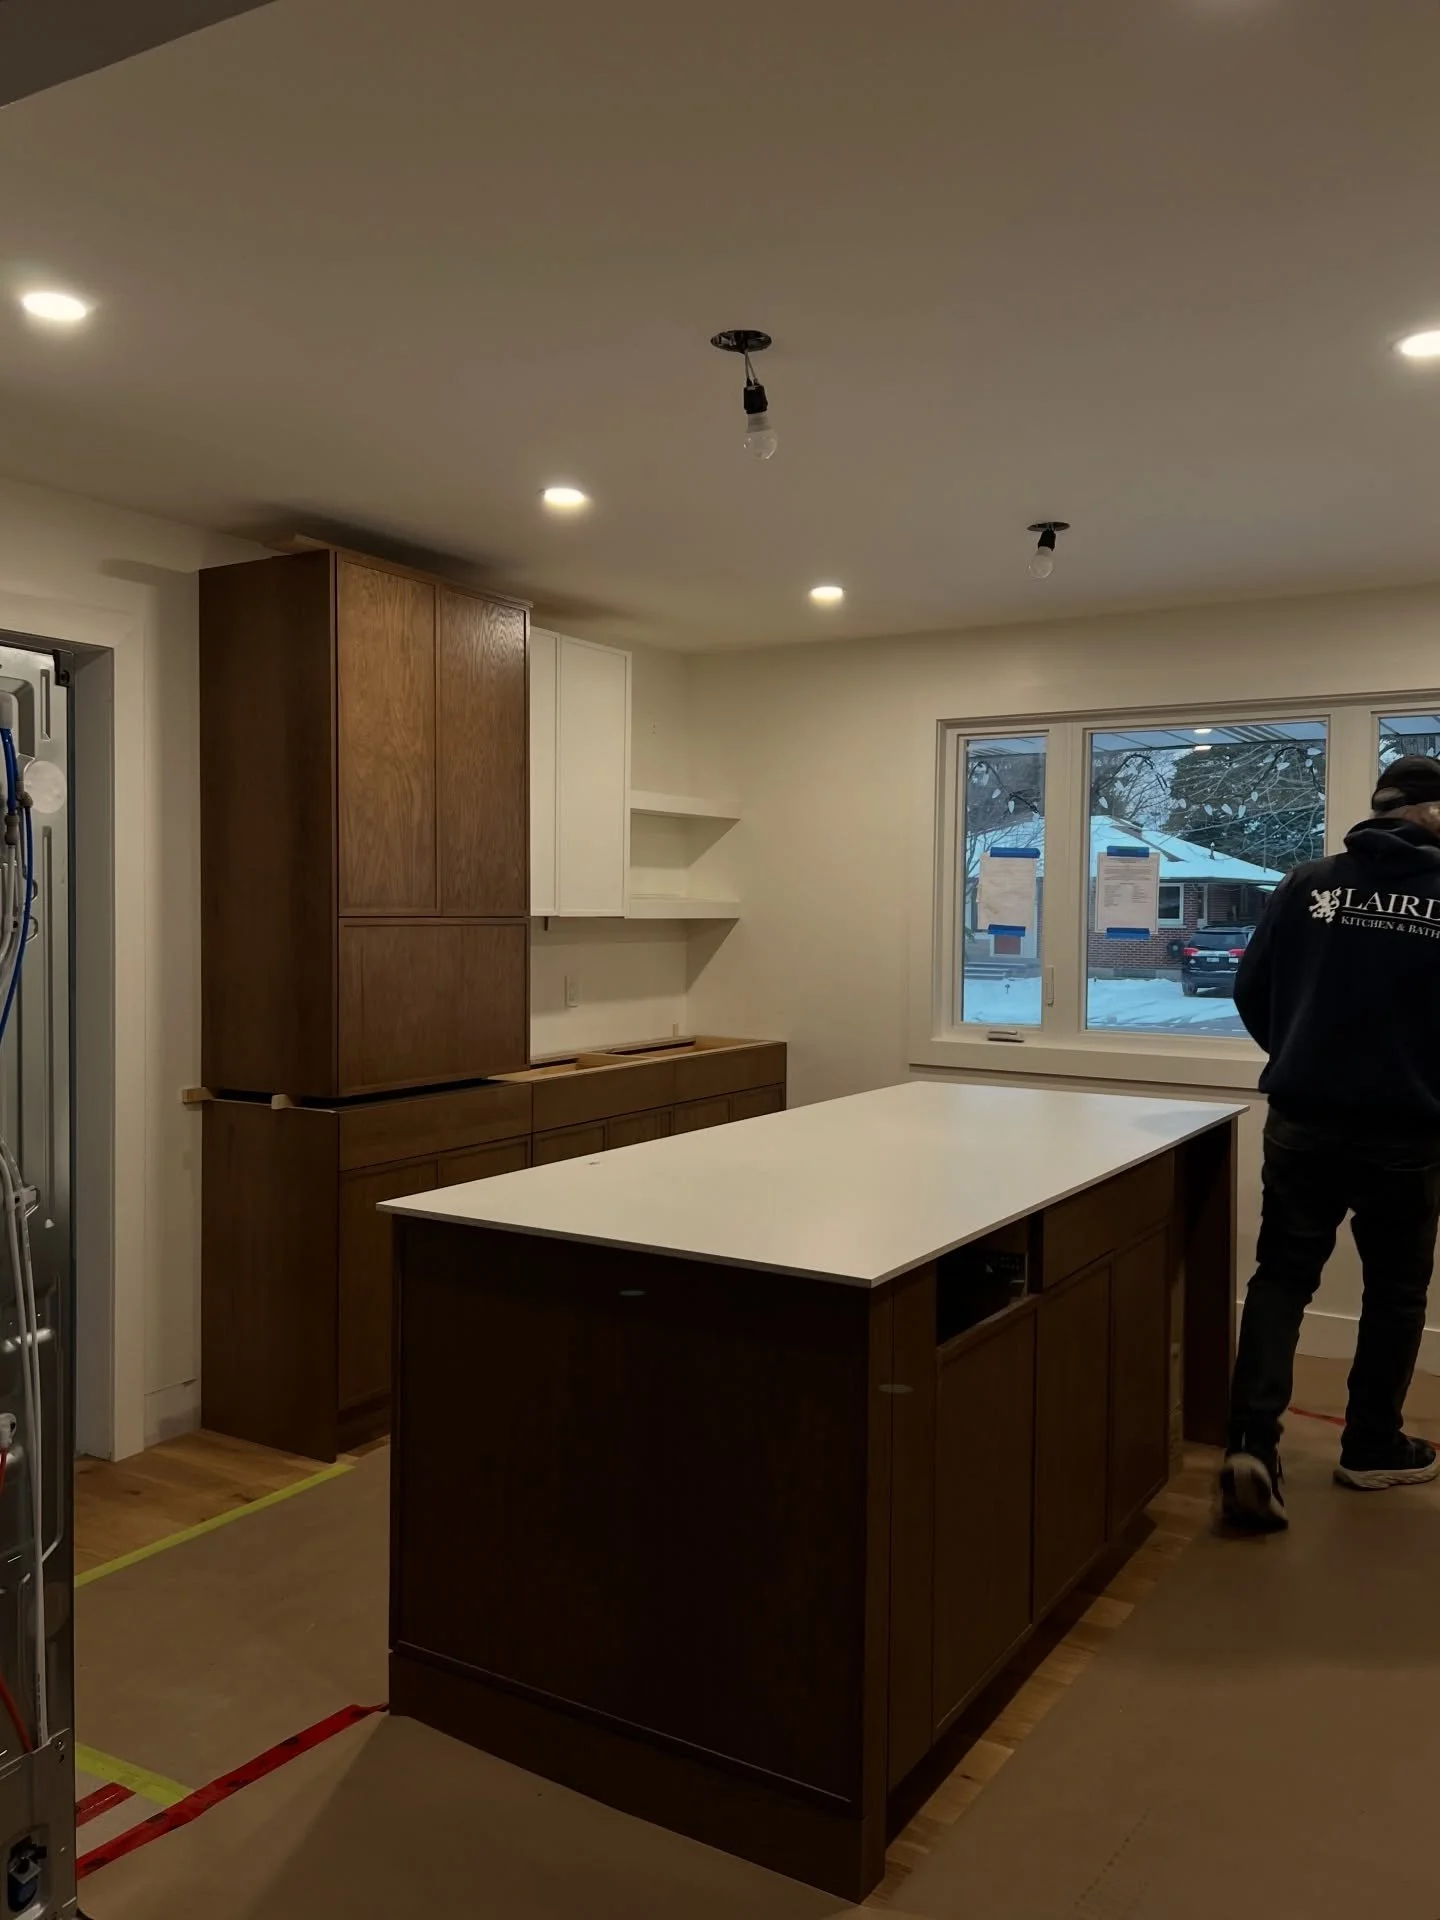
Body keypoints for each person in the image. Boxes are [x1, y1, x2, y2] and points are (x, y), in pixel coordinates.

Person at [1222, 754, 1440, 1530]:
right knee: (1396, 1292)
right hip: (1406, 1130)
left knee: (1281, 1278)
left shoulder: (1309, 884)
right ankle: (1372, 1446)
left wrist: (1301, 1053)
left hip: (1303, 1118)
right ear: (1432, 815)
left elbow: (1252, 988)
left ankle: (1250, 1446)